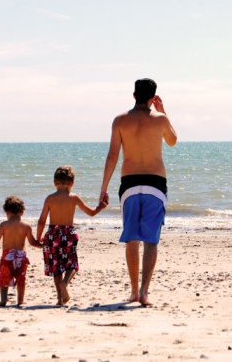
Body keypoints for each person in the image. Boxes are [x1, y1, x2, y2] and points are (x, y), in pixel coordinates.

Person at [99, 78, 177, 306]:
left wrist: (103, 188)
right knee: (151, 240)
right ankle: (144, 292)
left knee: (132, 238)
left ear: (134, 95)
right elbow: (172, 141)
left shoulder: (120, 120)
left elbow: (112, 156)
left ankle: (133, 291)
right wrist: (163, 111)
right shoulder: (160, 119)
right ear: (153, 98)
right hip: (155, 183)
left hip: (130, 183)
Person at [37, 165, 107, 306]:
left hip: (53, 234)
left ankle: (59, 299)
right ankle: (65, 283)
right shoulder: (74, 198)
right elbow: (91, 213)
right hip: (68, 234)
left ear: (55, 182)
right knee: (72, 264)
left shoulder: (50, 198)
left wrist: (38, 237)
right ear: (72, 183)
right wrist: (102, 206)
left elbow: (42, 220)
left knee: (56, 268)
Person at [0, 196, 42, 307]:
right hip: (21, 256)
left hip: (7, 256)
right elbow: (32, 242)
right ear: (22, 212)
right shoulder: (26, 225)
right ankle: (20, 300)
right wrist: (42, 245)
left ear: (6, 212)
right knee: (21, 278)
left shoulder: (4, 225)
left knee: (4, 277)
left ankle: (3, 300)